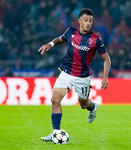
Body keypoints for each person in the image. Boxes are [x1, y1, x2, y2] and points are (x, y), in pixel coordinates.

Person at [38, 8, 111, 142]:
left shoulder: (96, 40)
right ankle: (56, 133)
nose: (88, 23)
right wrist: (50, 44)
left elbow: (107, 59)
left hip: (82, 77)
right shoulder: (70, 32)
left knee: (83, 104)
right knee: (55, 100)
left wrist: (105, 77)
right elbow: (60, 40)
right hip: (66, 72)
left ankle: (92, 107)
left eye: (90, 21)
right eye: (85, 20)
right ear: (79, 21)